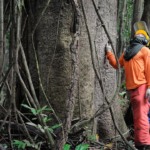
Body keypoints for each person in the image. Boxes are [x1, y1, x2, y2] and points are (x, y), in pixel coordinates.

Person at [105, 29, 150, 150]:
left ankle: (144, 143)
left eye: (142, 35)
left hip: (142, 88)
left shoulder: (144, 51)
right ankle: (142, 143)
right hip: (135, 90)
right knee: (139, 117)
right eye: (138, 34)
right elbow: (117, 65)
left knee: (141, 117)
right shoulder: (127, 53)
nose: (139, 36)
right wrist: (109, 52)